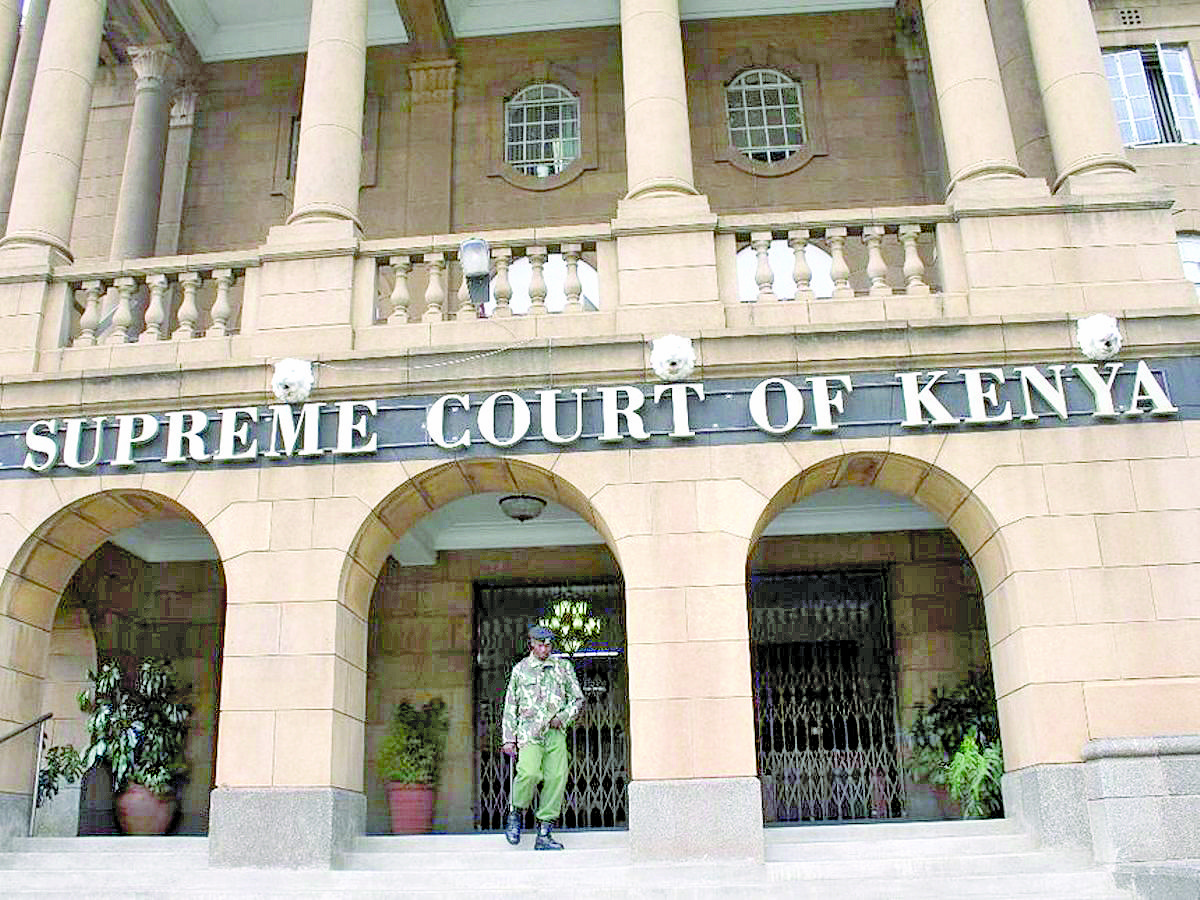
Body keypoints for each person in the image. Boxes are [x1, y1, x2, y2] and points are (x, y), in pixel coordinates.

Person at [501, 624, 584, 850]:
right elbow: (511, 704)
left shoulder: (562, 667)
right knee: (528, 772)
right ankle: (515, 814)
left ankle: (545, 832)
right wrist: (508, 738)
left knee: (556, 777)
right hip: (528, 732)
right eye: (540, 645)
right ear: (531, 644)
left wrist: (564, 717)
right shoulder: (521, 670)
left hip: (555, 731)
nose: (545, 649)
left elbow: (577, 699)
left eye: (548, 645)